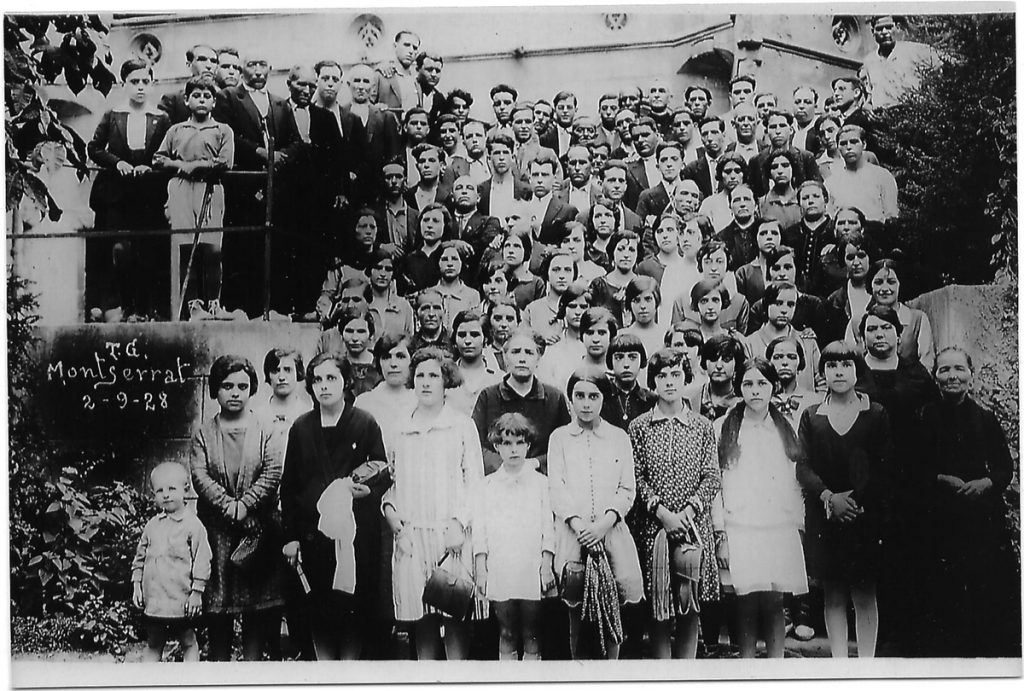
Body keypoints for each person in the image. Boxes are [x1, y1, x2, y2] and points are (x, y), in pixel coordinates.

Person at [280, 352, 391, 660]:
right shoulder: (301, 427)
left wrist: (365, 490)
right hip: (313, 533)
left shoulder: (365, 422)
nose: (324, 386)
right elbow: (289, 486)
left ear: (346, 381)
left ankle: (349, 668)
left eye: (331, 378)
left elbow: (381, 470)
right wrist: (290, 536)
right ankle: (325, 667)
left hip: (355, 533)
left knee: (354, 605)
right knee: (318, 607)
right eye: (317, 380)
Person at [914, 347, 1021, 658]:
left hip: (980, 519)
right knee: (942, 593)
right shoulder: (924, 417)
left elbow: (1004, 468)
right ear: (935, 377)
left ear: (970, 377)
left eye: (959, 369)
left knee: (984, 591)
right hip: (938, 519)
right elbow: (911, 467)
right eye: (944, 370)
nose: (952, 376)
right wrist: (940, 479)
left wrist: (985, 484)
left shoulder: (985, 419)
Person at [383, 347, 485, 660]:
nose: (426, 382)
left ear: (445, 381)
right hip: (413, 536)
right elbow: (391, 482)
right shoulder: (399, 427)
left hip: (451, 536)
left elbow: (475, 483)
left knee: (453, 615)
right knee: (421, 619)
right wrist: (390, 512)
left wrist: (459, 523)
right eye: (420, 376)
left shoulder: (461, 425)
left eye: (433, 376)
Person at [796, 341, 893, 659]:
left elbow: (884, 464)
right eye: (831, 365)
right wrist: (829, 497)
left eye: (846, 365)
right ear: (822, 372)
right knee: (834, 593)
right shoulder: (812, 416)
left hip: (863, 517)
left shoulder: (875, 413)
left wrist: (854, 500)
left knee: (864, 593)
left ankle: (866, 666)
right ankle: (840, 664)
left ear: (857, 370)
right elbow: (803, 466)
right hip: (825, 517)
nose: (838, 372)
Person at [629, 348, 722, 659]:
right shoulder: (640, 426)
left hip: (692, 526)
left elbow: (712, 476)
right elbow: (636, 476)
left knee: (688, 602)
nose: (669, 382)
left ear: (686, 378)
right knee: (659, 605)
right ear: (653, 381)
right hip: (654, 528)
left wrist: (688, 512)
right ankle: (663, 672)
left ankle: (686, 671)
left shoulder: (702, 425)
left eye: (676, 374)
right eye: (662, 375)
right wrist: (663, 514)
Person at [190, 355, 284, 661]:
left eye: (242, 386)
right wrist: (229, 507)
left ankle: (251, 668)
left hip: (256, 531)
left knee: (255, 608)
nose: (235, 393)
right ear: (215, 389)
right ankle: (220, 668)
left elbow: (273, 471)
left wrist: (247, 505)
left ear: (252, 389)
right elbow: (200, 476)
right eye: (227, 386)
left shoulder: (266, 429)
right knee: (219, 608)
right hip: (217, 531)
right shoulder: (203, 434)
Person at [713, 359, 807, 658]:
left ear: (773, 386)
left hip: (778, 525)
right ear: (739, 387)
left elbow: (795, 481)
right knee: (746, 599)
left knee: (774, 599)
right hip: (740, 527)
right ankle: (748, 666)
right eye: (748, 384)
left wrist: (798, 525)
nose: (755, 391)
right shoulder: (724, 427)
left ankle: (776, 665)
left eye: (762, 384)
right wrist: (720, 533)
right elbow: (716, 484)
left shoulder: (785, 427)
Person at [549, 370, 645, 659]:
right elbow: (557, 487)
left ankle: (610, 671)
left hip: (610, 532)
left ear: (604, 399)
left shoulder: (618, 437)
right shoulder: (560, 438)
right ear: (570, 399)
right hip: (573, 534)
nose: (586, 403)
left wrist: (603, 525)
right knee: (575, 605)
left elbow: (627, 488)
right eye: (579, 396)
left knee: (614, 604)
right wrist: (580, 526)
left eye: (593, 396)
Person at [87, 58, 171, 322]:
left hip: (149, 196)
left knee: (148, 252)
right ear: (125, 84)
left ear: (152, 83)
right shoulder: (114, 114)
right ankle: (121, 307)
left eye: (145, 81)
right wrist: (117, 163)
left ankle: (145, 310)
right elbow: (94, 148)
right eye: (134, 82)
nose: (140, 87)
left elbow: (168, 152)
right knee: (120, 250)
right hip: (118, 195)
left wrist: (151, 166)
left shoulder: (162, 118)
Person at [472, 413, 556, 661]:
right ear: (497, 446)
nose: (514, 449)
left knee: (531, 631)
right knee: (507, 631)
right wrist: (481, 569)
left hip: (531, 566)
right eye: (507, 443)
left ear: (528, 445)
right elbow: (480, 530)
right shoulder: (487, 486)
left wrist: (546, 566)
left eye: (520, 442)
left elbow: (548, 527)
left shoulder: (541, 483)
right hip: (500, 567)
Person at [152, 75, 234, 322]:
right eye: (196, 96)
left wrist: (196, 166)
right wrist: (181, 166)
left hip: (209, 188)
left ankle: (214, 305)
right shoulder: (176, 130)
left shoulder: (222, 130)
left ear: (214, 102)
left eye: (207, 96)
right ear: (187, 100)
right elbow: (158, 159)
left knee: (212, 249)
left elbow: (225, 162)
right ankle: (194, 307)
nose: (201, 100)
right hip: (181, 188)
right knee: (186, 247)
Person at [131, 461, 213, 662]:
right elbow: (139, 558)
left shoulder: (193, 526)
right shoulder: (152, 526)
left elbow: (202, 559)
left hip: (181, 601)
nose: (166, 495)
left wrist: (197, 593)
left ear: (186, 490)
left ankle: (189, 677)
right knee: (154, 642)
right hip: (155, 602)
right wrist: (136, 586)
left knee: (188, 641)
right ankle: (148, 679)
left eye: (171, 489)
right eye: (160, 490)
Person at [472, 328, 572, 475]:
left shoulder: (554, 398)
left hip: (542, 479)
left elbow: (566, 445)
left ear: (539, 358)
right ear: (505, 357)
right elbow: (475, 444)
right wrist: (506, 466)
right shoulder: (488, 397)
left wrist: (536, 463)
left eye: (529, 353)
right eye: (516, 352)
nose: (522, 359)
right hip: (499, 479)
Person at [843, 259, 934, 369]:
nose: (885, 289)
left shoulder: (917, 319)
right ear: (870, 285)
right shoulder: (856, 322)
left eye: (891, 282)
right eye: (878, 282)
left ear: (900, 284)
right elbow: (848, 362)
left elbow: (926, 362)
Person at [745, 281, 822, 392]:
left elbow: (823, 380)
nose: (784, 310)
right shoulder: (750, 343)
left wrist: (815, 400)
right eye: (778, 303)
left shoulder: (807, 342)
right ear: (766, 304)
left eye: (790, 305)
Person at [747, 245, 829, 344]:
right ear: (769, 272)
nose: (782, 273)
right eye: (776, 268)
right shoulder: (758, 308)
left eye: (787, 267)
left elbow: (823, 342)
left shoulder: (813, 305)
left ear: (796, 270)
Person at [354, 334, 418, 453]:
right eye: (386, 357)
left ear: (411, 361)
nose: (393, 364)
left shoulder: (421, 401)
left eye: (400, 356)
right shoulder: (364, 403)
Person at [861, 15, 939, 110]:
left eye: (889, 27)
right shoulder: (869, 61)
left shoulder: (914, 50)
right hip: (881, 114)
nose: (884, 32)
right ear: (873, 31)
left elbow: (942, 62)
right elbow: (870, 96)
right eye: (879, 29)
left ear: (897, 27)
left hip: (909, 111)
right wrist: (867, 108)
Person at [825, 125, 899, 224]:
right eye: (843, 143)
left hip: (875, 231)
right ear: (838, 148)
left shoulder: (883, 177)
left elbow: (891, 214)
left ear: (864, 144)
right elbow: (829, 217)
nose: (849, 147)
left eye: (854, 142)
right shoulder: (831, 183)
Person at [782, 180, 841, 298]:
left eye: (816, 196)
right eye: (805, 198)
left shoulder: (835, 232)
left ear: (825, 200)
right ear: (799, 203)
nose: (810, 201)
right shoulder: (790, 234)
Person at [748, 110, 821, 199]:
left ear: (791, 130)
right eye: (773, 127)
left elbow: (817, 190)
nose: (778, 131)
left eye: (782, 126)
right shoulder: (756, 161)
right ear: (767, 131)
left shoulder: (806, 158)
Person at [823, 227, 875, 344]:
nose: (856, 263)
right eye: (850, 258)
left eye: (861, 256)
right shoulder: (835, 300)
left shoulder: (879, 294)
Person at [535, 283, 590, 390]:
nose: (578, 312)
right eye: (572, 306)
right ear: (563, 308)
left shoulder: (596, 345)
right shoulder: (553, 345)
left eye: (583, 307)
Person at [448, 309, 504, 416]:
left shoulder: (499, 378)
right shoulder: (445, 376)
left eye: (474, 335)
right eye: (462, 335)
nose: (467, 341)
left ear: (485, 339)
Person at [602, 333, 658, 430]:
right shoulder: (603, 397)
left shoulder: (651, 400)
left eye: (632, 357)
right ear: (611, 362)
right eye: (619, 357)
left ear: (641, 360)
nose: (626, 364)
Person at [588, 230, 641, 327]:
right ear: (612, 252)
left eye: (631, 250)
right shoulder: (598, 285)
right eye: (621, 249)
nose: (626, 255)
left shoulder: (643, 285)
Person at [254, 348, 312, 435]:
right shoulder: (257, 416)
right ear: (268, 375)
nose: (281, 377)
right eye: (275, 371)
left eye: (287, 370)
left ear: (297, 373)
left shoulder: (307, 414)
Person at [523, 250, 577, 341]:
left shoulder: (581, 307)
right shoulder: (533, 309)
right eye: (556, 270)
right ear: (547, 274)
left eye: (567, 270)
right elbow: (522, 339)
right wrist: (540, 339)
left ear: (574, 275)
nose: (562, 276)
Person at [689, 333, 745, 421]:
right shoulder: (691, 398)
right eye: (713, 359)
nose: (719, 366)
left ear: (736, 364)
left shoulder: (744, 400)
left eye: (726, 360)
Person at [478, 131, 533, 219]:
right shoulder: (481, 190)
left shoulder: (526, 191)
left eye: (505, 153)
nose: (501, 158)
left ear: (513, 157)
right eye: (497, 153)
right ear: (489, 158)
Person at [158, 44, 219, 124]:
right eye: (202, 60)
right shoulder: (173, 99)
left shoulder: (224, 98)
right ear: (189, 65)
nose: (209, 66)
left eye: (213, 61)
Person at [401, 202, 454, 294]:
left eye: (435, 221)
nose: (429, 225)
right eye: (426, 220)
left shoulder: (450, 256)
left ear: (445, 225)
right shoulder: (410, 259)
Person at [365, 250, 416, 343]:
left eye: (388, 269)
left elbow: (410, 339)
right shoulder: (363, 303)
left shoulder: (403, 306)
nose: (383, 274)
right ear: (370, 271)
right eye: (378, 268)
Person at [432, 241, 482, 331]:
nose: (449, 264)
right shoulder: (430, 293)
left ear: (462, 263)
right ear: (438, 263)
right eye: (444, 259)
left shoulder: (472, 295)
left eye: (454, 259)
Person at [371, 30, 421, 114]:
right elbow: (367, 104)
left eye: (415, 48)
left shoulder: (416, 80)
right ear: (395, 46)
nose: (411, 51)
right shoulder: (381, 74)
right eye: (406, 45)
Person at [734, 218, 782, 305]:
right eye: (763, 233)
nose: (769, 237)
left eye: (774, 233)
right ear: (755, 238)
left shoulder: (790, 268)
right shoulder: (743, 273)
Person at [696, 153, 747, 233]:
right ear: (720, 174)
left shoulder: (751, 201)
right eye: (728, 171)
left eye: (737, 171)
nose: (733, 176)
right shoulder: (709, 203)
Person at [501, 227, 546, 310]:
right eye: (507, 245)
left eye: (516, 246)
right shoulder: (496, 277)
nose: (510, 251)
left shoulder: (536, 283)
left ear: (525, 250)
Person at [682, 117, 727, 198]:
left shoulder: (733, 165)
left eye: (714, 132)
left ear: (724, 134)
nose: (709, 138)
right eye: (705, 134)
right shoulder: (691, 170)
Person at [757, 150, 802, 231]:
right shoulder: (762, 203)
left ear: (793, 169)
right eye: (774, 167)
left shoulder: (802, 200)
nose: (780, 171)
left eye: (785, 165)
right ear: (769, 173)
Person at [622, 276, 664, 360]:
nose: (642, 306)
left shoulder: (665, 335)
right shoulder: (622, 336)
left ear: (656, 301)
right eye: (636, 300)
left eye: (648, 299)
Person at [408, 288, 453, 354]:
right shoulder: (409, 346)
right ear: (416, 314)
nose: (431, 314)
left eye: (436, 308)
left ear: (444, 312)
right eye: (425, 308)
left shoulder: (453, 343)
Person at [791, 86, 822, 155]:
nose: (801, 106)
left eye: (807, 102)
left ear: (815, 106)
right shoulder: (787, 127)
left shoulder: (820, 129)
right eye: (797, 102)